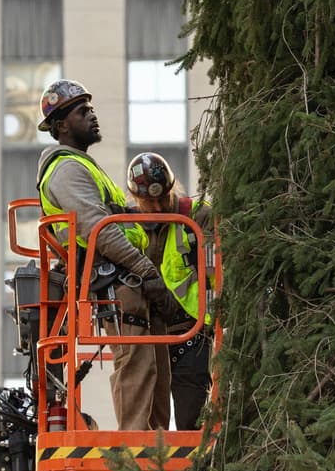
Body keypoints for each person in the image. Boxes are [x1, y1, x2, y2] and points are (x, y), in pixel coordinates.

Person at [35, 79, 182, 430]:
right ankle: (133, 452)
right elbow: (98, 229)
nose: (92, 115)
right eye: (82, 111)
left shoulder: (85, 167)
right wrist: (147, 271)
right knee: (137, 366)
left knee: (156, 371)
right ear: (61, 125)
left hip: (127, 278)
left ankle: (157, 449)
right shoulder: (67, 170)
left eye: (91, 108)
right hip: (115, 281)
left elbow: (118, 219)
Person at [126, 152, 219, 430]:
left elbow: (215, 273)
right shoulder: (127, 223)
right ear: (135, 198)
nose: (155, 208)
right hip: (150, 334)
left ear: (172, 188)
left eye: (161, 199)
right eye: (148, 202)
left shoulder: (198, 215)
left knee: (191, 424)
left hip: (191, 331)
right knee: (149, 430)